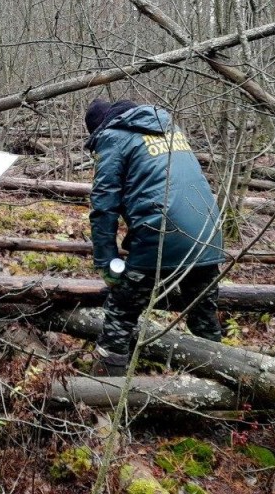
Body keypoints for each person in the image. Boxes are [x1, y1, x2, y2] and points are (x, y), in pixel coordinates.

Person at [83, 98, 225, 376]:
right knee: (204, 318)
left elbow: (103, 206)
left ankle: (105, 393)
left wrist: (105, 261)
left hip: (162, 235)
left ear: (98, 128)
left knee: (120, 314)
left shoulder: (113, 137)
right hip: (208, 236)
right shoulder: (171, 129)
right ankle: (218, 383)